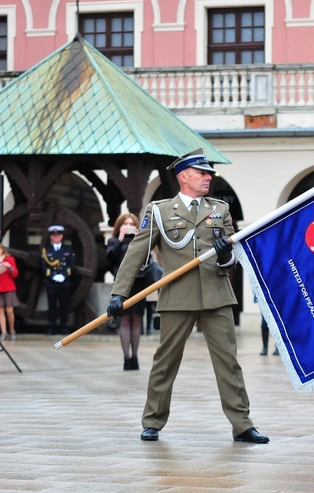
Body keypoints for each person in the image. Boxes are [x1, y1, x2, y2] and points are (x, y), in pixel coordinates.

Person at [106, 148, 268, 444]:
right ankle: (152, 421)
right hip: (178, 296)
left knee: (229, 363)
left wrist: (224, 256)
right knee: (165, 361)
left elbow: (232, 260)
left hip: (217, 295)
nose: (208, 177)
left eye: (209, 173)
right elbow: (135, 254)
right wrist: (119, 293)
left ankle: (242, 424)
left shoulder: (220, 209)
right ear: (183, 177)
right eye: (202, 173)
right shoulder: (159, 211)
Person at [107, 213, 146, 370]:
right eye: (125, 224)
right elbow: (111, 258)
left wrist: (138, 238)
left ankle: (135, 357)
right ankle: (126, 358)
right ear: (120, 226)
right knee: (124, 320)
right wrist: (121, 238)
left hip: (139, 282)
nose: (129, 226)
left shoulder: (140, 241)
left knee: (136, 320)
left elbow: (147, 260)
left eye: (131, 224)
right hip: (122, 285)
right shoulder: (114, 241)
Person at [41, 225, 74, 335]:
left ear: (62, 236)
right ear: (51, 236)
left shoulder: (68, 250)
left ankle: (64, 327)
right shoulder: (46, 250)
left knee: (64, 306)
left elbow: (71, 265)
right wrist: (53, 276)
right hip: (51, 283)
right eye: (54, 235)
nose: (56, 237)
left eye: (58, 235)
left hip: (64, 282)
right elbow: (44, 267)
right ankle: (52, 327)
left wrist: (64, 275)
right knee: (52, 306)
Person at [0, 242, 19, 340]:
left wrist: (9, 266)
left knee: (9, 310)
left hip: (9, 287)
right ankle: (3, 332)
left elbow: (15, 274)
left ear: (2, 250)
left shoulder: (10, 259)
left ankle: (12, 330)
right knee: (0, 310)